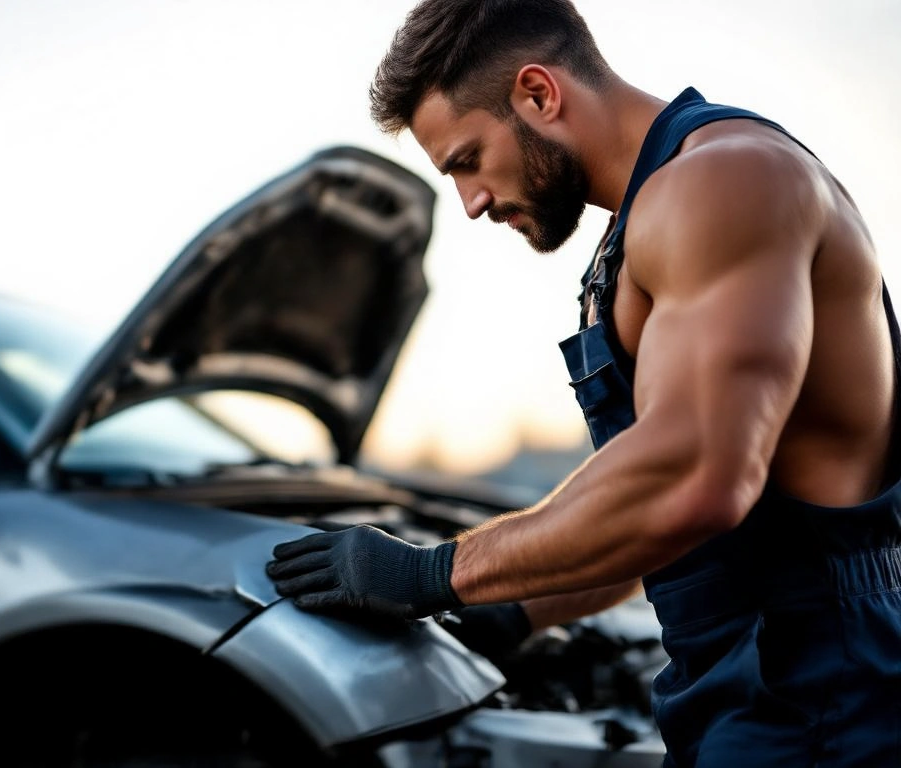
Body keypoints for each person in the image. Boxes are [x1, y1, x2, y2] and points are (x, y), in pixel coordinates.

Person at [265, 1, 901, 764]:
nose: (469, 203)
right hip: (743, 687)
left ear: (538, 93)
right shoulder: (637, 230)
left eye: (466, 160)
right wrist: (509, 617)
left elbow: (695, 480)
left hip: (823, 696)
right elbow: (651, 518)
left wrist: (433, 572)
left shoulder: (725, 183)